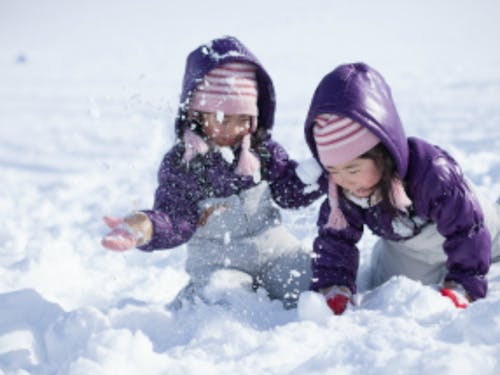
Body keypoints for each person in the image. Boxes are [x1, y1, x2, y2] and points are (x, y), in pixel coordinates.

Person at [101, 36, 323, 308]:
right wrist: (144, 227)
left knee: (314, 284)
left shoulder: (263, 151)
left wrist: (322, 170)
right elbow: (175, 219)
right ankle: (195, 302)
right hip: (220, 264)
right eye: (222, 119)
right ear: (197, 114)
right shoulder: (184, 164)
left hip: (276, 253)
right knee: (231, 302)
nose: (233, 129)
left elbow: (289, 192)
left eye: (244, 119)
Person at [303, 62, 500, 315]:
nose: (344, 181)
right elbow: (335, 241)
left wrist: (464, 285)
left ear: (384, 154)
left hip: (478, 228)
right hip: (412, 249)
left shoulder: (433, 174)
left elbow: (467, 230)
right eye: (333, 170)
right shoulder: (343, 190)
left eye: (352, 169)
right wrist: (334, 287)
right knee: (383, 283)